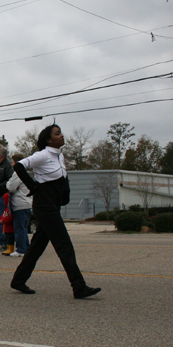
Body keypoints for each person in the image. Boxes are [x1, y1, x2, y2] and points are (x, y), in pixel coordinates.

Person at [9, 124, 101, 299]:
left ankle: (18, 280)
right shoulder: (42, 155)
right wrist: (32, 186)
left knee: (36, 247)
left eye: (61, 133)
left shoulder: (60, 156)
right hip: (44, 206)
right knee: (64, 244)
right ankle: (78, 286)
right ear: (48, 139)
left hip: (53, 205)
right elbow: (19, 166)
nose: (62, 136)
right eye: (57, 134)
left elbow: (61, 179)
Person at [6, 153, 32, 258]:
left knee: (19, 227)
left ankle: (21, 249)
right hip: (27, 203)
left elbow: (11, 187)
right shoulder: (26, 173)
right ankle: (26, 247)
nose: (12, 164)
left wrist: (8, 184)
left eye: (12, 162)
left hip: (20, 203)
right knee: (24, 227)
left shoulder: (17, 173)